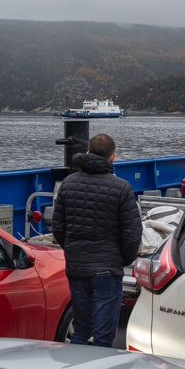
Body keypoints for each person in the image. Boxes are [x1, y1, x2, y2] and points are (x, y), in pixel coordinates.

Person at [51, 133, 142, 347]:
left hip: (77, 267)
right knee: (104, 334)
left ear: (88, 153)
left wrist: (73, 251)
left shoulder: (68, 184)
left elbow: (58, 227)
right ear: (113, 157)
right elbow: (132, 234)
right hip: (107, 270)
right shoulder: (122, 188)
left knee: (81, 329)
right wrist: (122, 260)